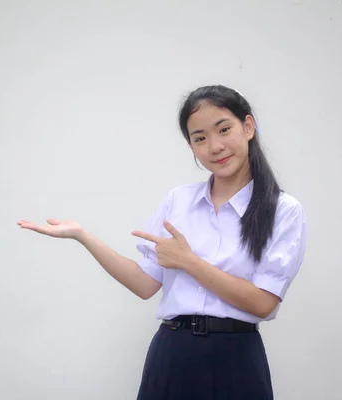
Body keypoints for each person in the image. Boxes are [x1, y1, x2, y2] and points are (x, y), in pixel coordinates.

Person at [17, 85, 307, 399]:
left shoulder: (283, 210)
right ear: (191, 146)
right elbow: (145, 284)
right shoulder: (178, 201)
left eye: (224, 129)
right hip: (173, 352)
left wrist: (188, 261)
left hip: (236, 356)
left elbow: (263, 303)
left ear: (248, 126)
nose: (215, 146)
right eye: (200, 138)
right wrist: (83, 236)